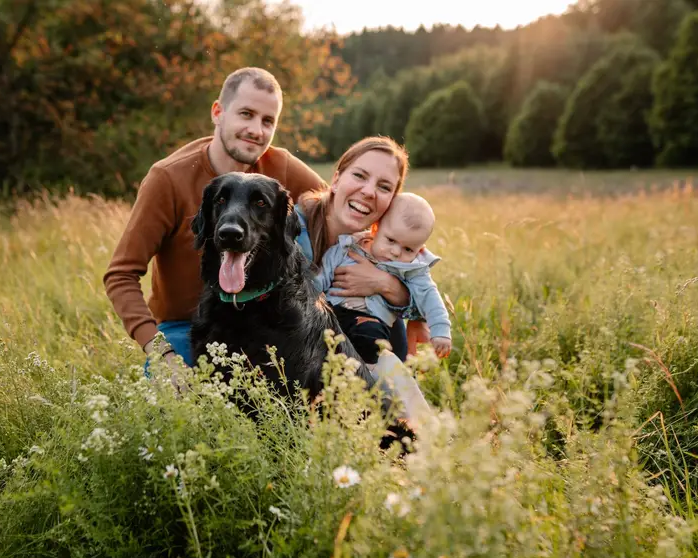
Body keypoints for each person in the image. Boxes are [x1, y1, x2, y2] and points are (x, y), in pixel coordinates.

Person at [103, 67, 325, 367]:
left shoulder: (280, 166)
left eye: (267, 121)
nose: (256, 130)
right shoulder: (167, 179)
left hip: (266, 321)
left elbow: (340, 207)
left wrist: (380, 278)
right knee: (183, 394)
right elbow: (120, 274)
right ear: (218, 112)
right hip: (184, 326)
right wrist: (159, 351)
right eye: (246, 114)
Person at [294, 137, 434, 362]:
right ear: (336, 180)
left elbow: (422, 282)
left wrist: (385, 284)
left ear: (391, 204)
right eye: (359, 175)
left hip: (349, 347)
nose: (369, 192)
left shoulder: (380, 244)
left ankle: (391, 378)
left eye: (384, 187)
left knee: (378, 307)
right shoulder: (294, 231)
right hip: (294, 352)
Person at [313, 191, 452, 364]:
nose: (396, 252)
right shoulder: (347, 247)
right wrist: (310, 299)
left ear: (420, 250)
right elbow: (322, 277)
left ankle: (363, 369)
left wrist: (441, 331)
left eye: (408, 249)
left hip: (368, 320)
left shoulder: (412, 269)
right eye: (391, 240)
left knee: (371, 339)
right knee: (315, 334)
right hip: (331, 310)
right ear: (375, 229)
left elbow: (430, 297)